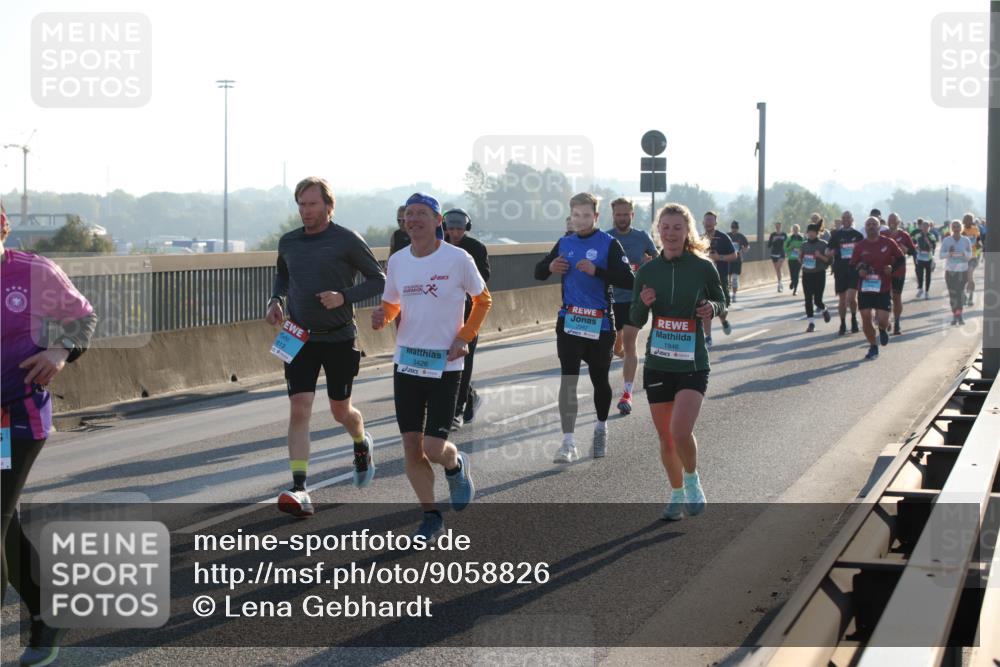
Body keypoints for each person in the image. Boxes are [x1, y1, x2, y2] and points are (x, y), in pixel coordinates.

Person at [1, 205, 98, 666]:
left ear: (3, 227)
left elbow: (83, 319)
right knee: (5, 528)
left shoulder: (34, 272)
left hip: (14, 420)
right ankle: (48, 612)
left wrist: (60, 350)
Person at [372, 192, 491, 543]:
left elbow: (483, 299)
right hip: (407, 362)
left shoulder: (458, 258)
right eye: (409, 214)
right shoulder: (397, 261)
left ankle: (455, 466)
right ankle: (430, 516)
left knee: (435, 448)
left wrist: (464, 336)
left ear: (438, 221)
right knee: (411, 444)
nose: (414, 219)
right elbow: (393, 304)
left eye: (422, 213)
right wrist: (383, 317)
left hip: (445, 364)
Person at [267, 177, 386, 518]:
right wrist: (276, 299)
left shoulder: (346, 240)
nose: (305, 211)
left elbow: (378, 280)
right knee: (299, 408)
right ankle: (300, 487)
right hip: (298, 336)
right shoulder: (288, 241)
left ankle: (361, 442)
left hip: (339, 337)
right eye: (301, 205)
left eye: (312, 204)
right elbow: (283, 276)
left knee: (340, 411)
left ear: (329, 207)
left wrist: (343, 297)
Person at [630, 203, 725, 521]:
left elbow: (720, 299)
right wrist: (643, 304)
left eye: (677, 228)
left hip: (692, 364)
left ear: (688, 232)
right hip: (659, 363)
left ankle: (692, 479)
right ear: (659, 231)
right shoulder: (647, 271)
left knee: (680, 431)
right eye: (665, 228)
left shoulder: (702, 267)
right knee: (665, 437)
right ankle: (675, 493)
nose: (671, 234)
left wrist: (711, 307)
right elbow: (634, 317)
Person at [535, 192, 634, 462]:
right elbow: (538, 271)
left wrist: (597, 271)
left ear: (596, 216)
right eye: (576, 215)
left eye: (586, 215)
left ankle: (601, 427)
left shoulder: (609, 244)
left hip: (600, 323)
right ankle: (568, 442)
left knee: (599, 381)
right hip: (569, 321)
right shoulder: (564, 242)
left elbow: (629, 280)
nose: (580, 220)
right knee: (568, 381)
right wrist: (550, 266)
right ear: (571, 216)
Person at [606, 198, 657, 415]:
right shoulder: (606, 238)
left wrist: (649, 264)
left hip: (634, 299)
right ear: (613, 215)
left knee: (630, 343)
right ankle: (619, 353)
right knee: (617, 347)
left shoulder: (642, 237)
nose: (622, 218)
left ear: (632, 215)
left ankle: (627, 392)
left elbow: (658, 260)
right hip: (610, 299)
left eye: (626, 214)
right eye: (618, 214)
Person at [443, 208, 491, 428]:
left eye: (459, 229)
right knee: (444, 359)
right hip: (443, 310)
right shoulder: (438, 244)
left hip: (468, 311)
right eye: (451, 229)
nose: (454, 233)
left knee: (464, 358)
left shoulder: (476, 248)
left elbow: (484, 277)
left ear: (466, 228)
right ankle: (469, 395)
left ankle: (458, 407)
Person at [850, 216, 905, 360]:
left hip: (883, 287)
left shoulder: (888, 243)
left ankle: (882, 329)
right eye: (868, 224)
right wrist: (859, 270)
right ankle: (873, 346)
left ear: (879, 227)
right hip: (865, 288)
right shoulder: (860, 246)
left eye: (874, 224)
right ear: (865, 227)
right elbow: (852, 265)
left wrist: (892, 268)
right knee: (866, 318)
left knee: (882, 320)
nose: (871, 226)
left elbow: (901, 259)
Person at [701, 211, 737, 348]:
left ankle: (723, 320)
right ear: (703, 222)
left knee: (723, 309)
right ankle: (708, 337)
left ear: (715, 223)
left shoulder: (723, 238)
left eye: (711, 220)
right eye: (706, 220)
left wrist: (719, 258)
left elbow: (734, 256)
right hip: (704, 278)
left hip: (720, 278)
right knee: (705, 307)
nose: (709, 222)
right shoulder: (699, 239)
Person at [826, 211, 864, 335]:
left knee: (851, 298)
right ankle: (842, 322)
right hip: (840, 270)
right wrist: (830, 253)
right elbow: (828, 250)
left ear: (852, 219)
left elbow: (864, 251)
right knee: (842, 300)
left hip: (853, 270)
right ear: (841, 220)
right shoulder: (836, 235)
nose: (846, 220)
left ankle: (853, 318)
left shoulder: (858, 235)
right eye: (844, 218)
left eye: (848, 217)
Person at [882, 213, 917, 335]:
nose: (892, 222)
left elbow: (913, 251)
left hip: (899, 271)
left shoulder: (904, 235)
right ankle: (887, 320)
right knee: (885, 297)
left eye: (894, 220)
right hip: (885, 270)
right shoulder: (883, 235)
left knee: (896, 298)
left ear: (899, 222)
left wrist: (906, 250)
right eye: (890, 220)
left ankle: (897, 323)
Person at [799, 222, 832, 331]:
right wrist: (800, 258)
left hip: (819, 274)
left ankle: (824, 310)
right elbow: (800, 258)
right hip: (807, 274)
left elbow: (829, 260)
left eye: (813, 232)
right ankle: (811, 323)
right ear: (807, 233)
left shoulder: (823, 244)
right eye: (809, 232)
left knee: (818, 300)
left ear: (817, 233)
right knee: (808, 299)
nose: (811, 234)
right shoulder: (804, 245)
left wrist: (820, 256)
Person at [940, 220, 974, 325]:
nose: (956, 228)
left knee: (959, 294)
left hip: (962, 271)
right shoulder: (947, 240)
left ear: (961, 228)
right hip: (950, 271)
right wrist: (949, 254)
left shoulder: (966, 240)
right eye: (954, 226)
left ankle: (959, 315)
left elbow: (970, 255)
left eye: (958, 226)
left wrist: (964, 253)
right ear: (951, 228)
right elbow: (941, 255)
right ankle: (955, 314)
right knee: (952, 295)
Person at [911, 219, 936, 299]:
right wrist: (916, 248)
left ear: (929, 227)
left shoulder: (931, 236)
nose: (925, 228)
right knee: (919, 274)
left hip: (928, 258)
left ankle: (927, 292)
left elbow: (933, 247)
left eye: (927, 226)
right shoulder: (917, 235)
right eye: (924, 226)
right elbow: (913, 243)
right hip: (920, 257)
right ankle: (921, 289)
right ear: (921, 227)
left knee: (928, 275)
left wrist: (928, 242)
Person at [961, 214, 982, 306]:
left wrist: (979, 245)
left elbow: (977, 242)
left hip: (973, 257)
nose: (968, 221)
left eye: (970, 220)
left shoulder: (975, 229)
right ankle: (964, 296)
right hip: (962, 258)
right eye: (967, 220)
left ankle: (970, 298)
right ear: (964, 221)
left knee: (970, 276)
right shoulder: (961, 230)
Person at [727, 220, 750, 302]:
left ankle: (734, 295)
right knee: (727, 279)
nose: (734, 229)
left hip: (737, 260)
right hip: (728, 260)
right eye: (733, 227)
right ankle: (727, 294)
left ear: (738, 228)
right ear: (731, 228)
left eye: (735, 228)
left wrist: (744, 249)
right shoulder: (727, 236)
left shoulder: (741, 237)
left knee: (735, 278)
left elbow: (747, 247)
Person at [784, 224, 805, 295]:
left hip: (798, 259)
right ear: (792, 230)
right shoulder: (789, 238)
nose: (795, 230)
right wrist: (790, 247)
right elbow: (785, 248)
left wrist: (800, 249)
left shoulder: (802, 238)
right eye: (794, 229)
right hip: (791, 258)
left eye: (796, 229)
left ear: (799, 230)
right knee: (792, 274)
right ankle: (793, 281)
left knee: (796, 274)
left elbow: (805, 247)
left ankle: (795, 290)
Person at [767, 222, 788, 291]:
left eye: (778, 226)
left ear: (780, 226)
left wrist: (787, 251)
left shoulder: (784, 234)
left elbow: (787, 243)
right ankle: (780, 282)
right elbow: (769, 245)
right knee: (777, 269)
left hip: (781, 253)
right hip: (774, 253)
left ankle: (779, 284)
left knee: (778, 268)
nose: (777, 227)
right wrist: (773, 240)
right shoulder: (773, 234)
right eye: (776, 226)